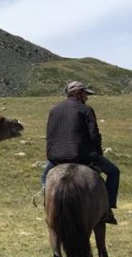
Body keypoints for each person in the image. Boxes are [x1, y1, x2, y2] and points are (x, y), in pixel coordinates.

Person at [41, 80, 120, 224]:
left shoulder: (54, 110)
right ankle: (108, 208)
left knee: (45, 178)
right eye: (85, 94)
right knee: (114, 172)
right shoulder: (85, 109)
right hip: (82, 156)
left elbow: (50, 134)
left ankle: (47, 204)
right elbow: (94, 134)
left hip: (56, 158)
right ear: (77, 94)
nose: (87, 97)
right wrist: (97, 153)